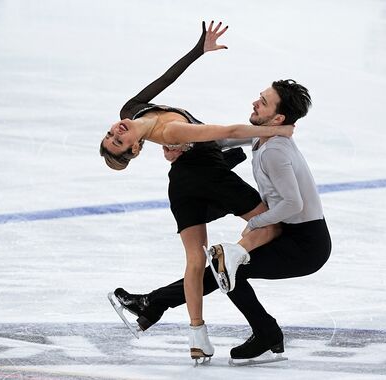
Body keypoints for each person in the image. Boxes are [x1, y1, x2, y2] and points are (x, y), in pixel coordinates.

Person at [101, 21, 292, 363]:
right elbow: (228, 129)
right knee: (270, 226)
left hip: (183, 184)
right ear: (134, 150)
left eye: (111, 134)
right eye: (120, 142)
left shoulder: (131, 110)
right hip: (209, 176)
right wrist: (282, 129)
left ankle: (197, 337)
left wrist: (198, 50)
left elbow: (166, 78)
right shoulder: (171, 131)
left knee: (193, 260)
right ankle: (233, 255)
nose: (118, 130)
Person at [113, 80, 332, 364]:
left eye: (263, 102)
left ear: (278, 119)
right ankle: (153, 304)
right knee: (224, 269)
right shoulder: (262, 137)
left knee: (228, 270)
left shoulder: (276, 151)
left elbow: (293, 205)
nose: (255, 102)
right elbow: (224, 139)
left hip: (306, 245)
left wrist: (255, 223)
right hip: (293, 234)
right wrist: (185, 144)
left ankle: (266, 334)